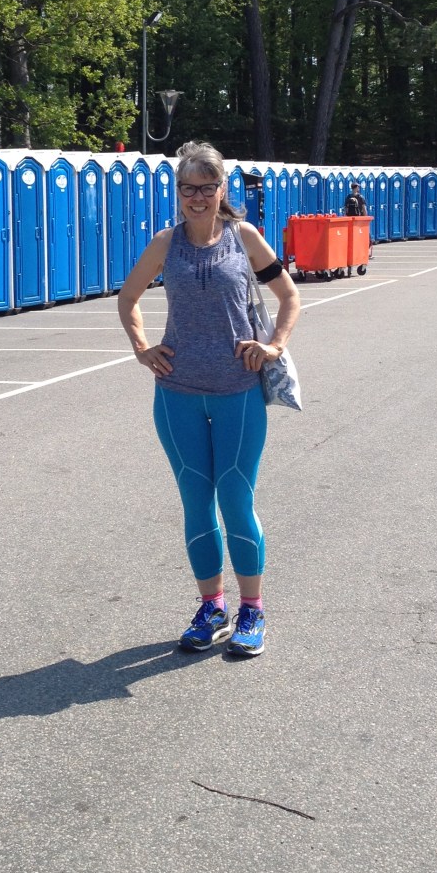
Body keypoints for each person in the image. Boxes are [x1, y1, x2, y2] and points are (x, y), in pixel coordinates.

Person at [117, 140, 301, 658]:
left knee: (236, 499)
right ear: (177, 193)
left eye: (206, 187)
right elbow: (128, 297)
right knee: (196, 502)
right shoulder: (165, 243)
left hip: (236, 391)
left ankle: (252, 610)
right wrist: (142, 348)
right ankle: (212, 607)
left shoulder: (245, 238)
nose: (196, 197)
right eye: (187, 188)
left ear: (222, 190)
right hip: (176, 394)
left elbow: (289, 295)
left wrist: (273, 345)